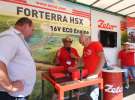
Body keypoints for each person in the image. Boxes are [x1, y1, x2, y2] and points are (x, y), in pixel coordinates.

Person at [0, 17, 36, 100]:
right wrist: (10, 86)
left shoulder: (17, 38)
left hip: (18, 94)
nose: (32, 33)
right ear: (26, 26)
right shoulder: (10, 37)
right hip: (11, 95)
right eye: (32, 29)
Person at [79, 33, 105, 100]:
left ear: (87, 39)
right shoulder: (85, 48)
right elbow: (82, 60)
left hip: (95, 76)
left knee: (93, 95)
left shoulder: (96, 44)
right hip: (88, 75)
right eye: (81, 43)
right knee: (88, 94)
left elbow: (103, 59)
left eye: (82, 42)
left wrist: (95, 74)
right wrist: (74, 67)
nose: (82, 44)